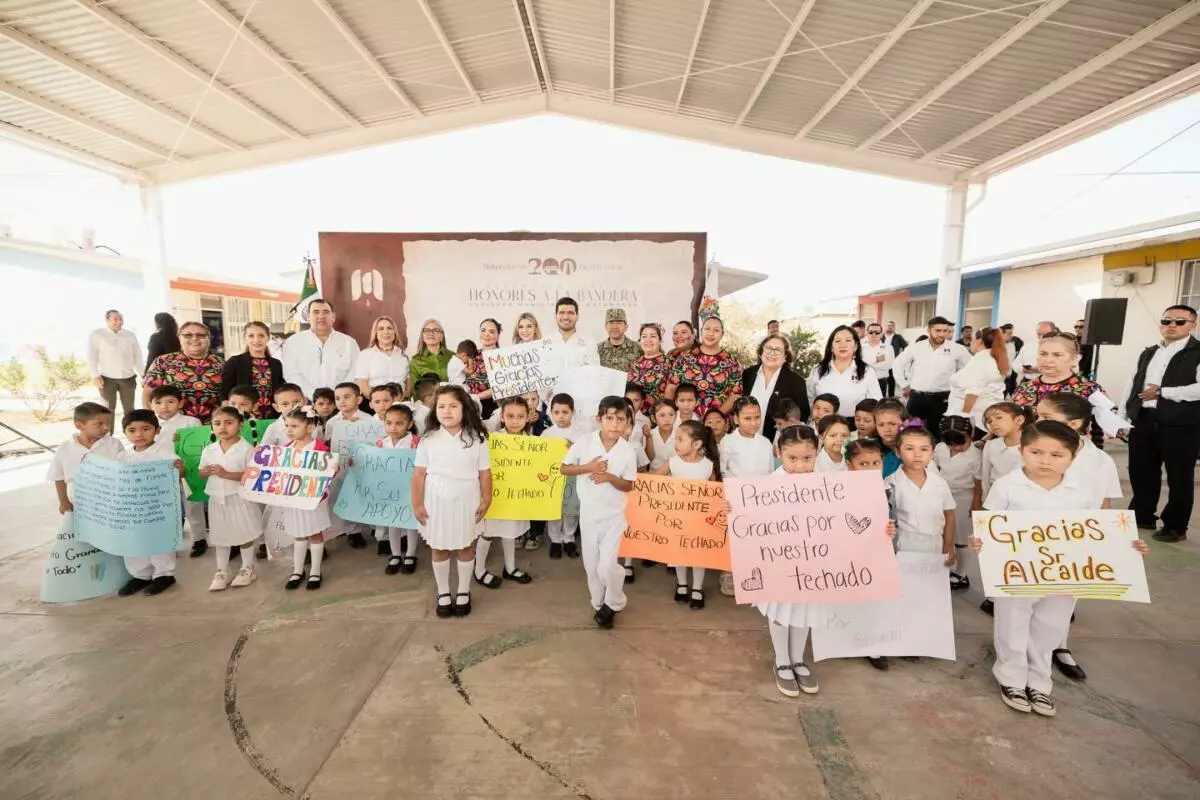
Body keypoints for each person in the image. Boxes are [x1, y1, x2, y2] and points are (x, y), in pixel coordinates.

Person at [971, 420, 1147, 717]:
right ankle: (1011, 678)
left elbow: (1095, 529)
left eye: (1056, 455)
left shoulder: (1081, 489)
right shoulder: (1008, 486)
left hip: (1064, 574)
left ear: (1072, 457)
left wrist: (1126, 547)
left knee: (1050, 627)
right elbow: (990, 523)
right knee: (1012, 624)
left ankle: (1040, 681)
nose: (1045, 461)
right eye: (1036, 452)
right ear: (1022, 451)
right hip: (1018, 572)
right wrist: (981, 541)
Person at [1036, 392, 1123, 681]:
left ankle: (1058, 645)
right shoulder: (1032, 450)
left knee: (1064, 598)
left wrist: (1104, 541)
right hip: (1035, 535)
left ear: (1073, 424)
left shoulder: (1100, 462)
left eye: (1047, 418)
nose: (1039, 422)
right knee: (1029, 597)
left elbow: (1105, 505)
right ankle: (1023, 649)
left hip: (1075, 538)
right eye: (1038, 416)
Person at [873, 426, 955, 671]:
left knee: (923, 597)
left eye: (924, 449)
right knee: (897, 597)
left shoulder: (940, 484)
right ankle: (884, 643)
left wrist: (949, 545)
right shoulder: (890, 483)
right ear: (898, 452)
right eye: (909, 449)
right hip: (904, 545)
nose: (917, 455)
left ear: (932, 453)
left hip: (932, 545)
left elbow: (949, 515)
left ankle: (911, 642)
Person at [413, 385, 492, 618]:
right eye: (441, 406)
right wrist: (417, 503)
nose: (447, 411)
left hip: (467, 495)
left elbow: (485, 472)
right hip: (436, 497)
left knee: (465, 545)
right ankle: (444, 591)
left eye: (453, 406)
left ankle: (464, 591)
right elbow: (419, 474)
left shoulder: (477, 438)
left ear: (465, 409)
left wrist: (487, 498)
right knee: (439, 546)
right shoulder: (428, 439)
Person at [1124, 304, 1200, 543]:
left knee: (1179, 476)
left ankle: (1175, 525)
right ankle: (1143, 515)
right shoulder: (1149, 351)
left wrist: (1163, 392)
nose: (1171, 326)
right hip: (1144, 419)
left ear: (1193, 325)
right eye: (1167, 321)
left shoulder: (1197, 351)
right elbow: (1134, 383)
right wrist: (1124, 415)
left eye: (1180, 322)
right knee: (1141, 471)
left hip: (1180, 422)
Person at [561, 396, 638, 629]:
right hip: (589, 516)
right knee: (592, 566)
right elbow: (564, 468)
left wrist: (609, 477)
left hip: (615, 517)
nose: (615, 424)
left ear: (628, 423)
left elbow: (629, 484)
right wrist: (589, 468)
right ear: (599, 420)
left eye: (621, 419)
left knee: (608, 565)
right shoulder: (585, 443)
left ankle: (615, 601)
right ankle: (599, 605)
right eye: (609, 418)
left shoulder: (628, 451)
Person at [1011, 330, 1127, 449]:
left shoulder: (1089, 389)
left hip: (1073, 454)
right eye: (1043, 354)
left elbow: (1098, 432)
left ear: (1075, 359)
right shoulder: (1024, 387)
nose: (1048, 360)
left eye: (1057, 355)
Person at [112, 409, 183, 595]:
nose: (139, 434)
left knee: (158, 540)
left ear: (157, 430)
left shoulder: (165, 455)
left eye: (145, 429)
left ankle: (164, 574)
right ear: (125, 433)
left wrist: (180, 470)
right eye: (132, 430)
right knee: (134, 540)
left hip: (158, 508)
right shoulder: (122, 457)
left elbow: (179, 476)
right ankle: (140, 575)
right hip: (133, 508)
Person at [656, 420, 719, 609]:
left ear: (697, 444)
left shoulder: (708, 466)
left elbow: (715, 493)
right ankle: (682, 584)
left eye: (680, 439)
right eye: (676, 439)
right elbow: (650, 482)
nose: (676, 444)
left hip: (700, 521)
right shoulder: (672, 463)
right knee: (678, 552)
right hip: (677, 519)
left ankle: (698, 587)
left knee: (699, 553)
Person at [475, 396, 536, 588]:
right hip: (495, 495)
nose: (515, 421)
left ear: (528, 417)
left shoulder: (534, 442)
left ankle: (510, 568)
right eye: (510, 416)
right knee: (487, 532)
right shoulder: (492, 440)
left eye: (520, 416)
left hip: (517, 497)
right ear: (502, 417)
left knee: (510, 532)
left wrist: (562, 447)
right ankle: (479, 570)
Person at [201, 405, 263, 591]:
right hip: (217, 498)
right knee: (220, 536)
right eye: (217, 423)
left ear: (240, 425)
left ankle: (247, 568)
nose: (223, 427)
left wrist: (226, 474)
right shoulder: (209, 450)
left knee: (244, 533)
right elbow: (201, 473)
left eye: (229, 423)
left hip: (239, 497)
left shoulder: (246, 449)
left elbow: (252, 475)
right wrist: (205, 472)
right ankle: (222, 570)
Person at [717, 397, 774, 595]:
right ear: (735, 419)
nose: (753, 423)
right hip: (735, 498)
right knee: (734, 539)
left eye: (757, 417)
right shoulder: (728, 442)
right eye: (747, 418)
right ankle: (728, 573)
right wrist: (726, 496)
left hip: (759, 499)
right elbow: (722, 471)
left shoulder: (766, 443)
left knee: (755, 538)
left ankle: (753, 574)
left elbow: (768, 472)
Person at [278, 407, 335, 591]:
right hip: (293, 500)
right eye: (287, 425)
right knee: (298, 534)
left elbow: (328, 472)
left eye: (294, 426)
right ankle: (297, 570)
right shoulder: (286, 449)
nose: (289, 430)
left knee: (315, 533)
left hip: (313, 500)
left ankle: (315, 571)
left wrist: (333, 471)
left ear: (310, 427)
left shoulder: (320, 449)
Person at [150, 384, 208, 556]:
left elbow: (199, 446)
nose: (164, 406)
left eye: (170, 402)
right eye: (158, 402)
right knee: (166, 506)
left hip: (187, 471)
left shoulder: (191, 422)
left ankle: (199, 539)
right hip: (161, 473)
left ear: (180, 403)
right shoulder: (149, 425)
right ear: (151, 405)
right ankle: (171, 540)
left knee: (192, 506)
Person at [892, 316, 971, 439]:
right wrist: (904, 385)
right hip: (917, 397)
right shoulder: (917, 347)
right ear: (929, 330)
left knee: (938, 433)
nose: (942, 334)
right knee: (911, 431)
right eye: (938, 331)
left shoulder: (957, 349)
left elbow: (970, 369)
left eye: (945, 331)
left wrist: (958, 387)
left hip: (942, 398)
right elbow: (897, 364)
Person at [143, 321, 226, 424]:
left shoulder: (221, 363)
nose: (194, 338)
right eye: (188, 335)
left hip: (214, 424)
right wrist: (150, 421)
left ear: (208, 339)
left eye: (201, 335)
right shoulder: (163, 361)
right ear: (179, 338)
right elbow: (148, 394)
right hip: (174, 425)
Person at [282, 299, 360, 399]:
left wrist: (338, 395)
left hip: (341, 401)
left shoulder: (349, 343)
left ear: (333, 317)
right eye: (316, 312)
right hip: (305, 401)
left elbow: (355, 372)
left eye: (326, 312)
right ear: (308, 316)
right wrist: (313, 395)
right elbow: (291, 374)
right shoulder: (292, 342)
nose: (321, 316)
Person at [667, 316, 743, 416]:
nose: (711, 334)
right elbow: (671, 388)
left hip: (718, 422)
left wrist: (714, 418)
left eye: (716, 330)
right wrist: (668, 413)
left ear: (722, 334)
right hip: (687, 422)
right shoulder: (685, 357)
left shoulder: (731, 362)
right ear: (701, 331)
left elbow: (735, 395)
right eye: (707, 329)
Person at [376, 404, 421, 575]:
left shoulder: (416, 443)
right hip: (389, 490)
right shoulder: (381, 444)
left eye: (399, 423)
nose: (393, 428)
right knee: (393, 522)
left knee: (410, 523)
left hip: (410, 489)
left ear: (409, 424)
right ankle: (395, 555)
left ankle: (410, 554)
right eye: (389, 423)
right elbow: (373, 465)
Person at [935, 428, 981, 591]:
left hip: (963, 498)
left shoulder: (976, 456)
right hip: (940, 495)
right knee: (942, 534)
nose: (954, 448)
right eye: (950, 445)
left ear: (970, 435)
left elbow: (978, 482)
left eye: (960, 444)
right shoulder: (940, 448)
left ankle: (961, 574)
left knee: (961, 539)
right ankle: (943, 568)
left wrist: (976, 504)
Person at [741, 334, 810, 441]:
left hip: (778, 444)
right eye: (768, 348)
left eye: (777, 350)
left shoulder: (796, 382)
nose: (772, 353)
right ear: (761, 352)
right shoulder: (747, 374)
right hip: (746, 439)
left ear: (785, 356)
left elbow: (802, 415)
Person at [808, 326, 881, 426]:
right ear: (831, 347)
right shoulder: (818, 370)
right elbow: (810, 398)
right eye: (837, 341)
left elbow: (876, 403)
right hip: (824, 426)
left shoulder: (867, 371)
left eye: (848, 340)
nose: (843, 345)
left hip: (856, 427)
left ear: (856, 346)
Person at [946, 327, 1009, 437]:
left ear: (979, 341)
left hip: (975, 418)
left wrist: (964, 419)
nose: (970, 342)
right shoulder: (994, 357)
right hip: (987, 414)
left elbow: (973, 392)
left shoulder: (981, 359)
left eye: (972, 339)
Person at [542, 393, 581, 560]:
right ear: (551, 412)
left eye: (565, 412)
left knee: (571, 510)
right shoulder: (546, 434)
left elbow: (585, 457)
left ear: (573, 412)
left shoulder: (581, 435)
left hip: (573, 478)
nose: (561, 416)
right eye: (556, 412)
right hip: (553, 477)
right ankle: (556, 540)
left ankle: (569, 538)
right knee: (554, 510)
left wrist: (574, 448)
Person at [221, 321, 285, 419]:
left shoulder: (276, 364)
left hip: (272, 416)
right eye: (251, 336)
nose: (256, 340)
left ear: (268, 338)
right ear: (245, 338)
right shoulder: (235, 362)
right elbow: (225, 392)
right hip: (244, 416)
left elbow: (280, 391)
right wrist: (228, 416)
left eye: (261, 335)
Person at [87, 309, 142, 416]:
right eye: (115, 319)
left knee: (130, 410)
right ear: (107, 320)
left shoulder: (130, 335)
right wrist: (95, 375)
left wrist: (143, 374)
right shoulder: (97, 334)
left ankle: (129, 432)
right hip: (106, 379)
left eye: (121, 319)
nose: (119, 322)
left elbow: (137, 356)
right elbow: (91, 356)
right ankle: (108, 433)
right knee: (107, 410)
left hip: (128, 378)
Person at [545, 298, 595, 399]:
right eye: (561, 312)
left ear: (577, 316)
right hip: (551, 404)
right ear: (555, 316)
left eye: (570, 313)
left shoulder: (589, 341)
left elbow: (594, 373)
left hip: (580, 401)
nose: (566, 317)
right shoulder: (545, 342)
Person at [355, 315, 410, 401]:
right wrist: (379, 402)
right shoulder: (365, 355)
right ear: (375, 333)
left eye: (389, 328)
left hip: (400, 403)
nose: (386, 332)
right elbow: (362, 384)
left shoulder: (403, 356)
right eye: (381, 329)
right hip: (375, 403)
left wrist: (403, 398)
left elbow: (408, 382)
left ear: (395, 332)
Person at [627, 323, 672, 412]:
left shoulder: (669, 362)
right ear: (640, 341)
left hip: (660, 415)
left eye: (652, 336)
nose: (648, 340)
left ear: (660, 340)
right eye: (644, 336)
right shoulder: (635, 364)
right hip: (636, 415)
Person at [473, 318, 502, 418]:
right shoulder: (473, 355)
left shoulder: (502, 357)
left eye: (492, 332)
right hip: (472, 406)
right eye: (483, 330)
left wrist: (475, 397)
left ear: (498, 335)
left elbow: (500, 387)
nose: (486, 334)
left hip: (495, 407)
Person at [597, 308, 641, 373]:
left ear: (626, 326)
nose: (615, 327)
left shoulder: (638, 348)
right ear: (605, 326)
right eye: (611, 323)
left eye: (619, 323)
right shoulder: (597, 349)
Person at [860, 323, 894, 397]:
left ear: (881, 334)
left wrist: (867, 362)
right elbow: (859, 363)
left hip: (881, 380)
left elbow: (888, 365)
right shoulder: (861, 348)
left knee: (879, 405)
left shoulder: (888, 348)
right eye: (871, 332)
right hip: (863, 380)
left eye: (877, 332)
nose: (874, 334)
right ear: (867, 333)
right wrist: (877, 359)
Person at [882, 321, 908, 397]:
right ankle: (882, 397)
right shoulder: (881, 336)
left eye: (892, 326)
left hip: (892, 362)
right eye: (888, 325)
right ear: (885, 327)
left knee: (891, 380)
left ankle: (891, 397)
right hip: (881, 362)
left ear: (894, 327)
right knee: (881, 380)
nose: (890, 327)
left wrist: (901, 357)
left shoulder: (898, 337)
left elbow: (906, 347)